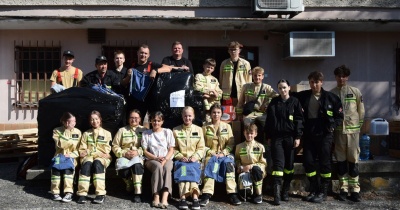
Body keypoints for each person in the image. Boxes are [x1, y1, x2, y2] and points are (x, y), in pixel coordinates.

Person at [293, 71, 343, 203]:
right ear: (309, 83)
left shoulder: (331, 98)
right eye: (312, 82)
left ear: (321, 82)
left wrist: (333, 126)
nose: (314, 85)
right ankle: (314, 188)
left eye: (317, 82)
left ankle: (323, 191)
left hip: (325, 135)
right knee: (308, 162)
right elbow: (288, 96)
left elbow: (339, 117)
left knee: (324, 163)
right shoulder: (303, 96)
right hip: (309, 134)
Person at [265, 79, 304, 205]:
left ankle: (285, 191)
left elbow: (299, 120)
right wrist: (269, 136)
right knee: (278, 166)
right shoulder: (274, 102)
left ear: (289, 88)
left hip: (290, 138)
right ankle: (276, 195)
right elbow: (269, 121)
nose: (282, 90)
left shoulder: (295, 102)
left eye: (284, 87)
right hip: (277, 138)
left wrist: (298, 137)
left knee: (289, 166)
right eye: (280, 88)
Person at [330, 65, 365, 202]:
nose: (341, 78)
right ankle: (343, 189)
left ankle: (355, 190)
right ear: (336, 77)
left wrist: (359, 127)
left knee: (353, 161)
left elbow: (361, 111)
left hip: (353, 132)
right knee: (341, 162)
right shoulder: (332, 93)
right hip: (339, 133)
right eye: (339, 76)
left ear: (347, 77)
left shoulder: (355, 91)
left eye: (344, 76)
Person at [199, 103, 241, 206]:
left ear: (221, 113)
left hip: (224, 155)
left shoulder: (227, 126)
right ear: (210, 113)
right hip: (210, 154)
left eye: (218, 112)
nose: (216, 115)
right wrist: (211, 152)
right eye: (214, 112)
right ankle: (206, 195)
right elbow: (201, 144)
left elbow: (231, 143)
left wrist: (224, 153)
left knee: (229, 164)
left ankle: (232, 193)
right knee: (210, 164)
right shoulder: (205, 126)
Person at [122, 44, 172, 120]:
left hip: (150, 99)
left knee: (153, 121)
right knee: (136, 121)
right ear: (137, 53)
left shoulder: (152, 65)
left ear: (148, 55)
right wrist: (129, 76)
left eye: (145, 53)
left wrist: (156, 70)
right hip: (136, 100)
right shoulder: (132, 65)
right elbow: (123, 83)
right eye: (141, 52)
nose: (143, 55)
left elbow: (168, 68)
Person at [172, 106, 205, 210]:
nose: (187, 118)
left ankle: (195, 198)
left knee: (193, 168)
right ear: (182, 116)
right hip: (182, 161)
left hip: (194, 160)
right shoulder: (176, 130)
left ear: (193, 116)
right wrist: (180, 157)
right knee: (184, 170)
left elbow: (201, 148)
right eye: (185, 116)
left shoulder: (199, 130)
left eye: (190, 116)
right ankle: (183, 198)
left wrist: (195, 157)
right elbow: (173, 148)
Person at [77, 111, 112, 204]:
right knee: (87, 164)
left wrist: (90, 151)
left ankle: (100, 194)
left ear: (100, 120)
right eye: (92, 119)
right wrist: (93, 152)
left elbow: (106, 151)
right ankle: (82, 194)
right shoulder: (86, 134)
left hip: (102, 158)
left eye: (96, 119)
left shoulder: (107, 134)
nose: (94, 121)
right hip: (88, 157)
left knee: (97, 163)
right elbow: (82, 151)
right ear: (89, 121)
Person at [112, 109, 147, 203]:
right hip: (124, 155)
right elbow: (115, 146)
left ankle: (137, 193)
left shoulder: (144, 130)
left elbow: (148, 146)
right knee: (123, 170)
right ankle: (129, 184)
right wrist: (123, 153)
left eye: (136, 118)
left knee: (137, 166)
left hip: (138, 156)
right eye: (131, 118)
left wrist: (138, 152)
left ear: (140, 119)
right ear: (128, 119)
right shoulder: (122, 130)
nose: (133, 120)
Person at [141, 111, 175, 209]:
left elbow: (171, 149)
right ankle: (156, 196)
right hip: (151, 159)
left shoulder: (167, 132)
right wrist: (156, 158)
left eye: (158, 121)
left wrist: (165, 159)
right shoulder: (146, 133)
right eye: (154, 120)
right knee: (158, 167)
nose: (156, 123)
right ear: (151, 121)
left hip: (166, 158)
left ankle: (165, 198)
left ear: (162, 121)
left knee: (167, 169)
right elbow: (145, 151)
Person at [50, 112, 82, 203]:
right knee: (56, 171)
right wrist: (67, 130)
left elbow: (79, 148)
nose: (74, 123)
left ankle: (69, 193)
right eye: (72, 121)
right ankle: (55, 192)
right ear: (65, 122)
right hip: (59, 156)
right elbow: (61, 144)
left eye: (75, 121)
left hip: (71, 157)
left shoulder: (78, 132)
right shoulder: (57, 131)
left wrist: (72, 155)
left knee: (68, 171)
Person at [234, 123, 267, 204]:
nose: (249, 135)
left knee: (256, 170)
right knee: (245, 195)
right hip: (243, 170)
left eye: (251, 133)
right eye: (247, 133)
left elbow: (263, 163)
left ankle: (258, 194)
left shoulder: (260, 147)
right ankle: (245, 192)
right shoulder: (239, 147)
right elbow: (237, 160)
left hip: (257, 170)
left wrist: (251, 166)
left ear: (255, 134)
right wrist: (240, 167)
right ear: (244, 133)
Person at [219, 41, 252, 106]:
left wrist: (248, 93)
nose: (233, 51)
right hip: (228, 93)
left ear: (239, 50)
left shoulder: (246, 63)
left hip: (240, 93)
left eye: (235, 49)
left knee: (240, 113)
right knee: (228, 114)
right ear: (228, 51)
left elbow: (249, 79)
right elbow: (221, 78)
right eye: (231, 50)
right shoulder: (224, 63)